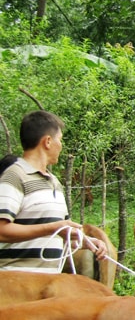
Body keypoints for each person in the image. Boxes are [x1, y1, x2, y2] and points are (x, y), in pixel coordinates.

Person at [0, 111, 107, 273]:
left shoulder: (54, 182)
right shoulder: (14, 176)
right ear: (48, 142)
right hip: (17, 283)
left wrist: (87, 242)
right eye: (60, 139)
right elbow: (2, 230)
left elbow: (58, 235)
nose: (61, 146)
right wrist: (51, 228)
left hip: (48, 285)